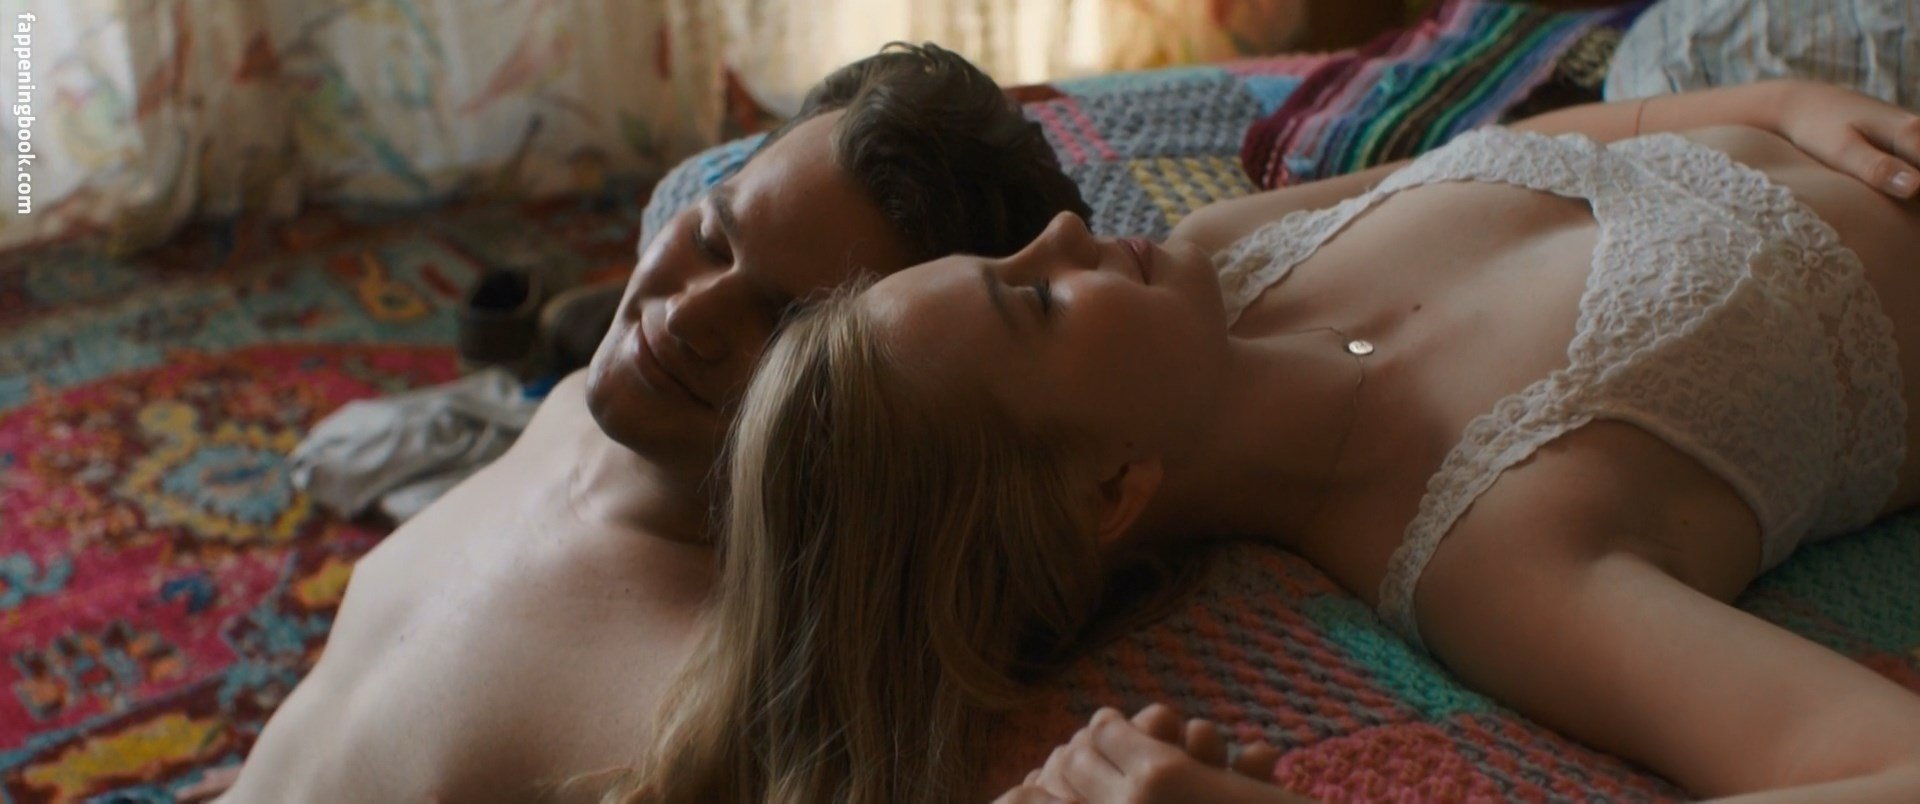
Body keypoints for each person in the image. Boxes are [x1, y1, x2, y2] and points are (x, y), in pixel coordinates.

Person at [713, 78, 1920, 803]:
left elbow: (1591, 137)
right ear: (1108, 492)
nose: (1066, 231)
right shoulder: (1499, 554)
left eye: (1006, 251)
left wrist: (1779, 104)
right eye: (1031, 298)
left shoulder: (1229, 251)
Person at [191, 42, 1088, 803]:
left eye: (784, 325)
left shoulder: (690, 710)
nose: (686, 314)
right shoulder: (573, 417)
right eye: (712, 239)